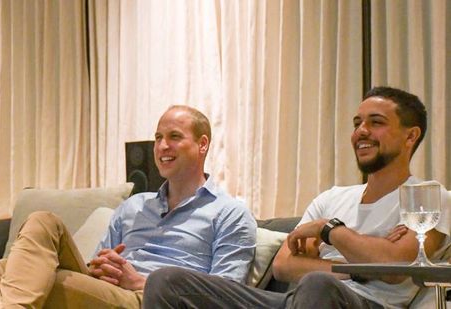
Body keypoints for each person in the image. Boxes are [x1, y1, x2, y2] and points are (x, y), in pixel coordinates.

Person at [143, 86, 450, 309]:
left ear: (410, 136)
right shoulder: (333, 197)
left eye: (376, 122)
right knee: (166, 281)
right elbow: (284, 265)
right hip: (298, 302)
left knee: (318, 284)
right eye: (357, 123)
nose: (361, 132)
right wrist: (360, 264)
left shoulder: (428, 196)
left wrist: (330, 231)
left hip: (368, 305)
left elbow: (397, 268)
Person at [0, 105, 257, 308]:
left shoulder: (229, 213)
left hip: (151, 299)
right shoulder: (134, 206)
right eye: (158, 137)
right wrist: (100, 268)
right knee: (32, 233)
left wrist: (139, 281)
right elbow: (94, 266)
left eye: (174, 136)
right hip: (109, 291)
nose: (162, 146)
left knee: (11, 276)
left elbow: (227, 296)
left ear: (203, 144)